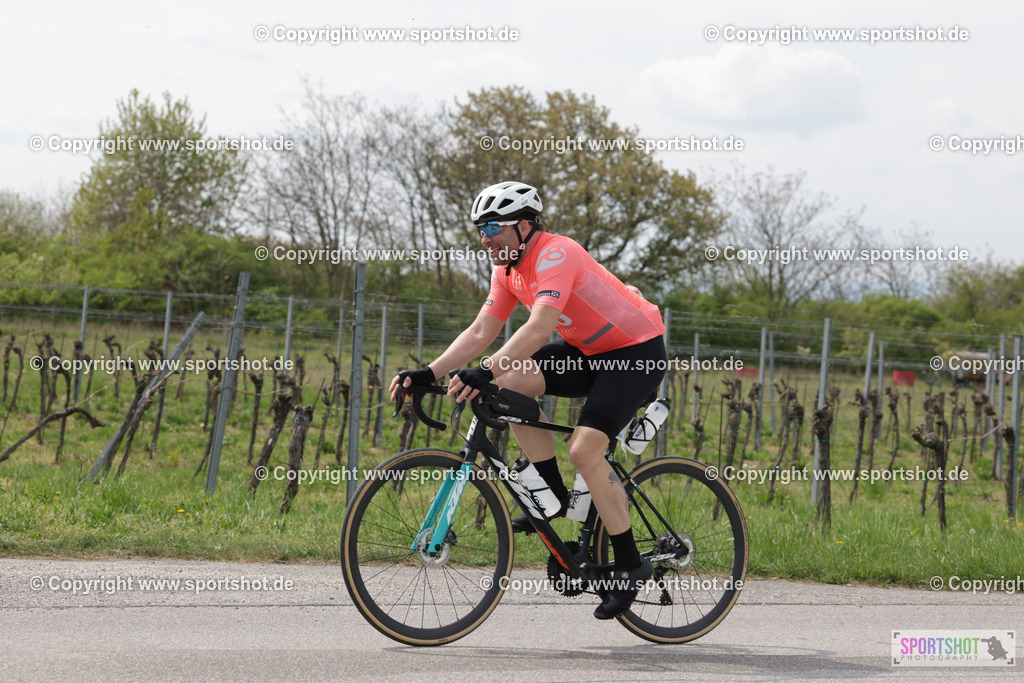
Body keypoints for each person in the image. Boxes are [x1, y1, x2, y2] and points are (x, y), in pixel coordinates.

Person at [389, 181, 667, 619]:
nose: (485, 238)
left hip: (634, 352)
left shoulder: (557, 253)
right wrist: (430, 371)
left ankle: (631, 566)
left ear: (524, 225)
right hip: (588, 353)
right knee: (510, 385)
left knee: (585, 449)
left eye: (493, 227)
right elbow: (482, 331)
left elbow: (538, 329)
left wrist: (484, 369)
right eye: (479, 229)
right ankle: (553, 493)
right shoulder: (506, 269)